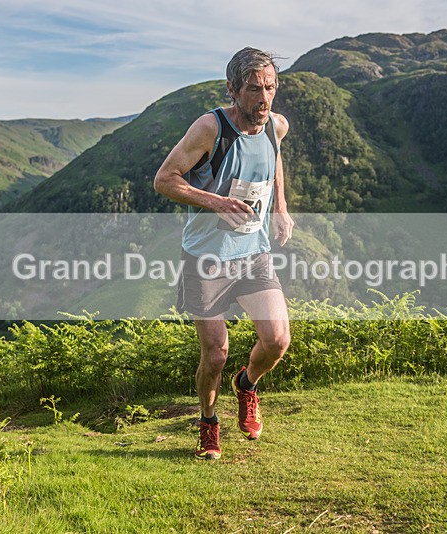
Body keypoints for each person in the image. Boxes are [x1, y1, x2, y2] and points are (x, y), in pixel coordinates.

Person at [153, 47, 294, 460]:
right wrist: (216, 202)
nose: (264, 98)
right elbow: (165, 179)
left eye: (270, 87)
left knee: (277, 340)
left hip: (254, 253)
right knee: (215, 352)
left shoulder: (276, 126)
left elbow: (275, 162)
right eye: (254, 89)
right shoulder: (209, 128)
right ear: (233, 89)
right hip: (207, 257)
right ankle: (208, 422)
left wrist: (281, 208)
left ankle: (247, 385)